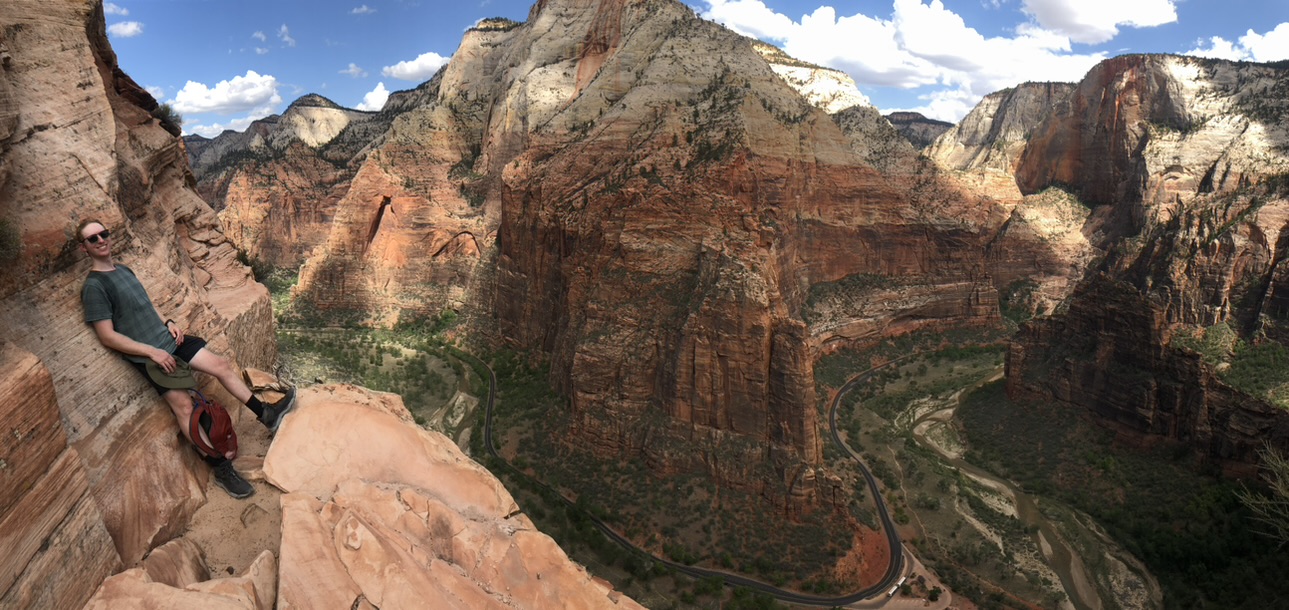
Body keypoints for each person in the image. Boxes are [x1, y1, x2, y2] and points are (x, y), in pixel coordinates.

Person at [76, 219, 295, 499]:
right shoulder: (94, 286)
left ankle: (267, 414)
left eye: (103, 234)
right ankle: (222, 469)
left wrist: (167, 321)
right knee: (184, 408)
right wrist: (151, 352)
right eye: (92, 239)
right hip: (152, 356)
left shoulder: (124, 270)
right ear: (85, 249)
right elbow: (107, 336)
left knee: (221, 366)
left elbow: (144, 304)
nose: (100, 240)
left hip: (169, 340)